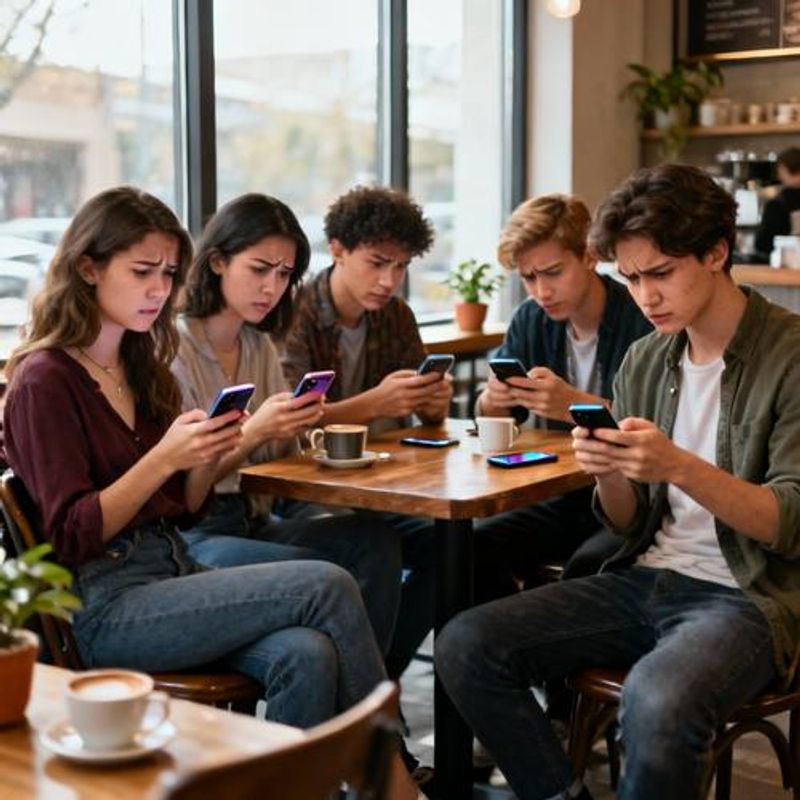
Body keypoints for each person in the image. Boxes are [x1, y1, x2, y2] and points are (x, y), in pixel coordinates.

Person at [2, 186, 417, 799]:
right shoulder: (45, 380)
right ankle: (392, 782)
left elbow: (184, 506)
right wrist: (165, 457)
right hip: (104, 606)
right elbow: (72, 534)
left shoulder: (136, 363)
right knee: (327, 582)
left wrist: (208, 454)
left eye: (169, 274)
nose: (158, 290)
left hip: (171, 570)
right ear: (88, 268)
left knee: (308, 653)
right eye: (142, 272)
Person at [435, 163, 800, 800]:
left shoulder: (789, 354)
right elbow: (629, 523)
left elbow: (788, 523)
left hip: (748, 596)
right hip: (645, 577)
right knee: (466, 644)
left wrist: (677, 464)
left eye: (661, 273)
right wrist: (607, 472)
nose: (645, 297)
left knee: (656, 699)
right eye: (631, 278)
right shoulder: (647, 358)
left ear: (717, 253)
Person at [171, 193, 402, 655]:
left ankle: (368, 684)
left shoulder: (257, 345)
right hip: (194, 533)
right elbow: (182, 490)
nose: (272, 288)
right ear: (217, 262)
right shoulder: (175, 347)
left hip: (256, 516)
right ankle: (363, 694)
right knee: (325, 573)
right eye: (260, 269)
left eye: (284, 274)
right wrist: (255, 431)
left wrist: (296, 426)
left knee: (376, 543)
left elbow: (276, 460)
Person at [281, 185, 449, 680]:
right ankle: (366, 689)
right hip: (303, 490)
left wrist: (432, 405)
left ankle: (379, 677)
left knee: (454, 548)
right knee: (376, 546)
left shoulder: (396, 316)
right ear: (337, 249)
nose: (389, 280)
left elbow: (426, 416)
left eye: (400, 267)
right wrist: (372, 405)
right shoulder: (295, 311)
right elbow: (289, 422)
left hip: (377, 485)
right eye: (377, 263)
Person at [472, 194, 651, 603]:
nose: (542, 291)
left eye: (553, 272)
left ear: (589, 256)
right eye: (529, 278)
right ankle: (506, 636)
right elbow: (493, 415)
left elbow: (660, 423)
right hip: (563, 495)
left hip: (636, 497)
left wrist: (572, 404)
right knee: (474, 545)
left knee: (588, 566)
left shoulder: (641, 316)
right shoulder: (530, 319)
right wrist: (494, 399)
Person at [754, 146, 800, 260]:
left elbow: (764, 244)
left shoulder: (779, 203)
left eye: (780, 171)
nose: (779, 176)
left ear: (784, 169)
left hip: (786, 264)